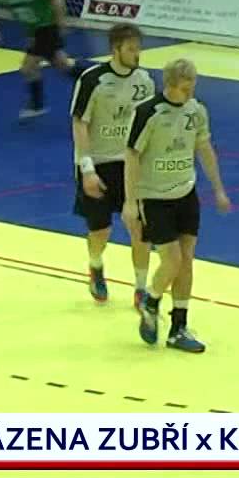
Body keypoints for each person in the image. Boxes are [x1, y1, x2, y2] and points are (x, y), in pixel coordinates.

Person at [123, 58, 230, 353]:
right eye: (186, 85)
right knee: (172, 261)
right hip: (155, 197)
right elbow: (132, 155)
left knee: (187, 261)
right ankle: (151, 299)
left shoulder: (197, 111)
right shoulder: (149, 112)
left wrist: (218, 189)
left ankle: (178, 328)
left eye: (193, 83)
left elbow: (204, 148)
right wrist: (130, 202)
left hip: (186, 194)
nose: (191, 89)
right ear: (171, 83)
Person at [71, 22, 157, 309]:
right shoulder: (92, 80)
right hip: (98, 163)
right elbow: (79, 123)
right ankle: (95, 266)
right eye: (131, 49)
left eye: (138, 48)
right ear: (115, 49)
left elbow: (148, 126)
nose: (137, 54)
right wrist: (87, 169)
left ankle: (141, 289)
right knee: (101, 231)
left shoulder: (145, 81)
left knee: (139, 228)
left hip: (130, 165)